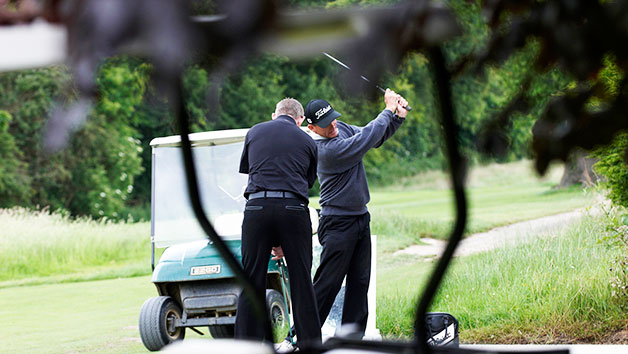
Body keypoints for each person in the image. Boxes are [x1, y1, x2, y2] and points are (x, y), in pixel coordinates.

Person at [278, 89, 408, 349]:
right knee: (327, 285)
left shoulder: (340, 129)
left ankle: (351, 341)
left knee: (360, 284)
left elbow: (373, 137)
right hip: (337, 223)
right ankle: (297, 339)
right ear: (312, 127)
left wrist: (397, 118)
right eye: (327, 125)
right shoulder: (322, 149)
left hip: (360, 218)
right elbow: (365, 139)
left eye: (334, 119)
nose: (334, 125)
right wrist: (387, 110)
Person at [235, 98, 321, 350]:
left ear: (274, 115)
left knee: (252, 281)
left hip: (257, 208)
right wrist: (284, 238)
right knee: (302, 281)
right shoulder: (307, 140)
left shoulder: (254, 132)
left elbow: (253, 170)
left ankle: (245, 347)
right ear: (301, 119)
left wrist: (272, 236)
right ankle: (310, 346)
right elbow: (304, 182)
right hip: (293, 210)